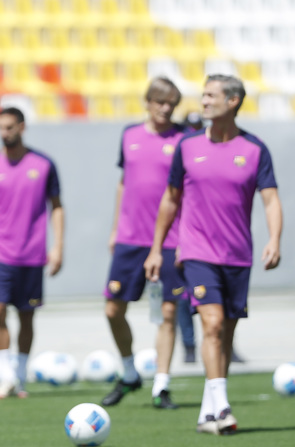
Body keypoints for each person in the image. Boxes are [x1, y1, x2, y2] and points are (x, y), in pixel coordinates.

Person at [145, 74, 283, 435]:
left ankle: (208, 413)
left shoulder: (255, 149)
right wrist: (157, 249)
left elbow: (270, 198)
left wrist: (275, 239)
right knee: (212, 324)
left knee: (225, 334)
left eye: (211, 95)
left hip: (237, 255)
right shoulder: (187, 146)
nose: (203, 101)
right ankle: (222, 406)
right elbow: (170, 199)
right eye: (203, 95)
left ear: (233, 101)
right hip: (196, 252)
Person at [101, 77, 194, 410]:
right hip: (130, 237)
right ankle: (129, 372)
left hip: (170, 238)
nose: (166, 109)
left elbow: (190, 192)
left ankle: (162, 385)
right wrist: (115, 228)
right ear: (148, 102)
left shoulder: (185, 138)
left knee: (167, 312)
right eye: (160, 102)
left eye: (171, 104)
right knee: (113, 309)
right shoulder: (129, 135)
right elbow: (123, 183)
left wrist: (186, 237)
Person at [0, 107, 64, 400]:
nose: (4, 133)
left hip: (32, 253)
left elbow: (56, 207)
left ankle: (19, 375)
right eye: (0, 127)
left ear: (21, 127)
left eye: (9, 127)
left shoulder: (44, 164)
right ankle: (6, 375)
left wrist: (58, 247)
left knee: (26, 316)